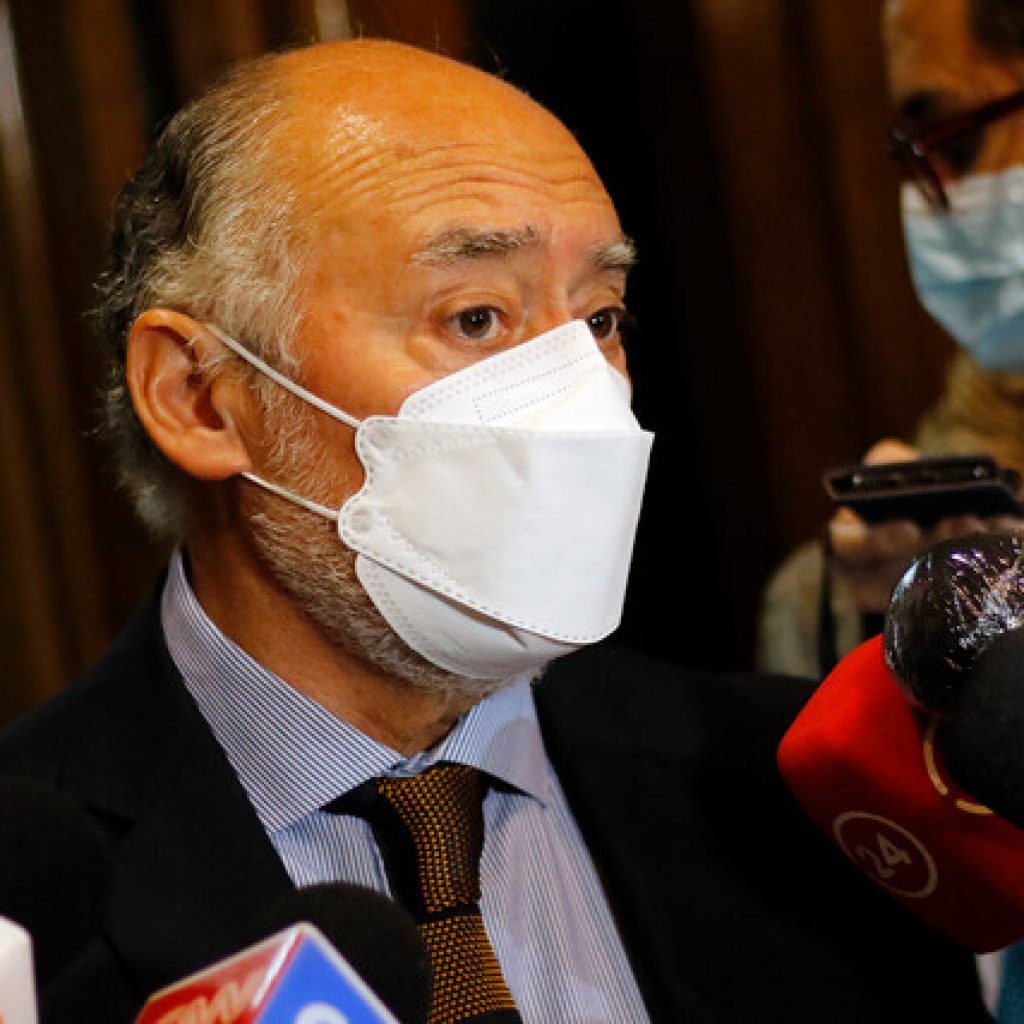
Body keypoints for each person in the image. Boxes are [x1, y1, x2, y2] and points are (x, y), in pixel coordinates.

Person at [0, 38, 991, 1024]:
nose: (581, 396)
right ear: (200, 396)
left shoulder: (806, 801)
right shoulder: (26, 903)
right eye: (476, 318)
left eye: (599, 319)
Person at [758, 0, 1024, 683]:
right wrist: (901, 633)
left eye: (954, 143)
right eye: (918, 151)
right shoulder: (844, 589)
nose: (935, 194)